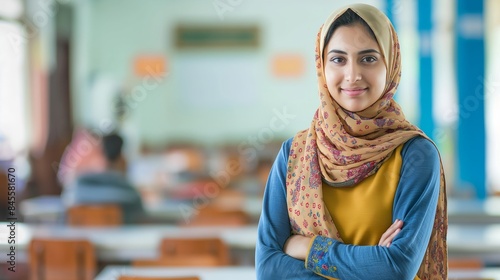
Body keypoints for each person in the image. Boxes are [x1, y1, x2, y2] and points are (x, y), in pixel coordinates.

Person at [255, 3, 447, 279]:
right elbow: (268, 268)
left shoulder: (414, 154)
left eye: (368, 58)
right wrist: (369, 264)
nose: (353, 75)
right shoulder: (294, 153)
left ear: (390, 64)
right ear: (322, 66)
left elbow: (396, 268)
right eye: (338, 59)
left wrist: (307, 247)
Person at [62, 132, 144, 224]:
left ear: (100, 153)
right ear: (121, 158)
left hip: (81, 237)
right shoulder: (131, 196)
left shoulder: (75, 192)